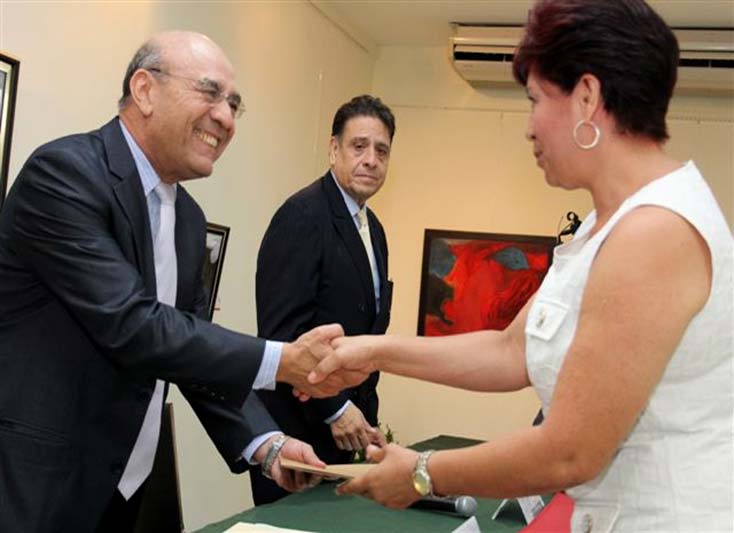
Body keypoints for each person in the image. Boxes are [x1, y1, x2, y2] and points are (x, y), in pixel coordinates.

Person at [309, 1, 733, 530]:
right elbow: (511, 350)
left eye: (535, 100)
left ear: (586, 97)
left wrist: (422, 473)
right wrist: (373, 351)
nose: (529, 128)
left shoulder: (654, 231)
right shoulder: (603, 226)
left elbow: (570, 452)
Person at [0, 32, 361, 533]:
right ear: (144, 90)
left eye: (234, 104)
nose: (226, 118)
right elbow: (135, 326)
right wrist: (283, 361)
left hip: (123, 490)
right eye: (210, 93)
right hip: (36, 489)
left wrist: (266, 443)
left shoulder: (188, 218)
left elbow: (189, 350)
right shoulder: (64, 176)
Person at [251, 95, 395, 505]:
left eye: (381, 150)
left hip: (349, 437)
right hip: (297, 436)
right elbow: (282, 334)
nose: (370, 160)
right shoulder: (302, 214)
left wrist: (363, 420)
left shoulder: (374, 229)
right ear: (334, 150)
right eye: (359, 146)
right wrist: (336, 409)